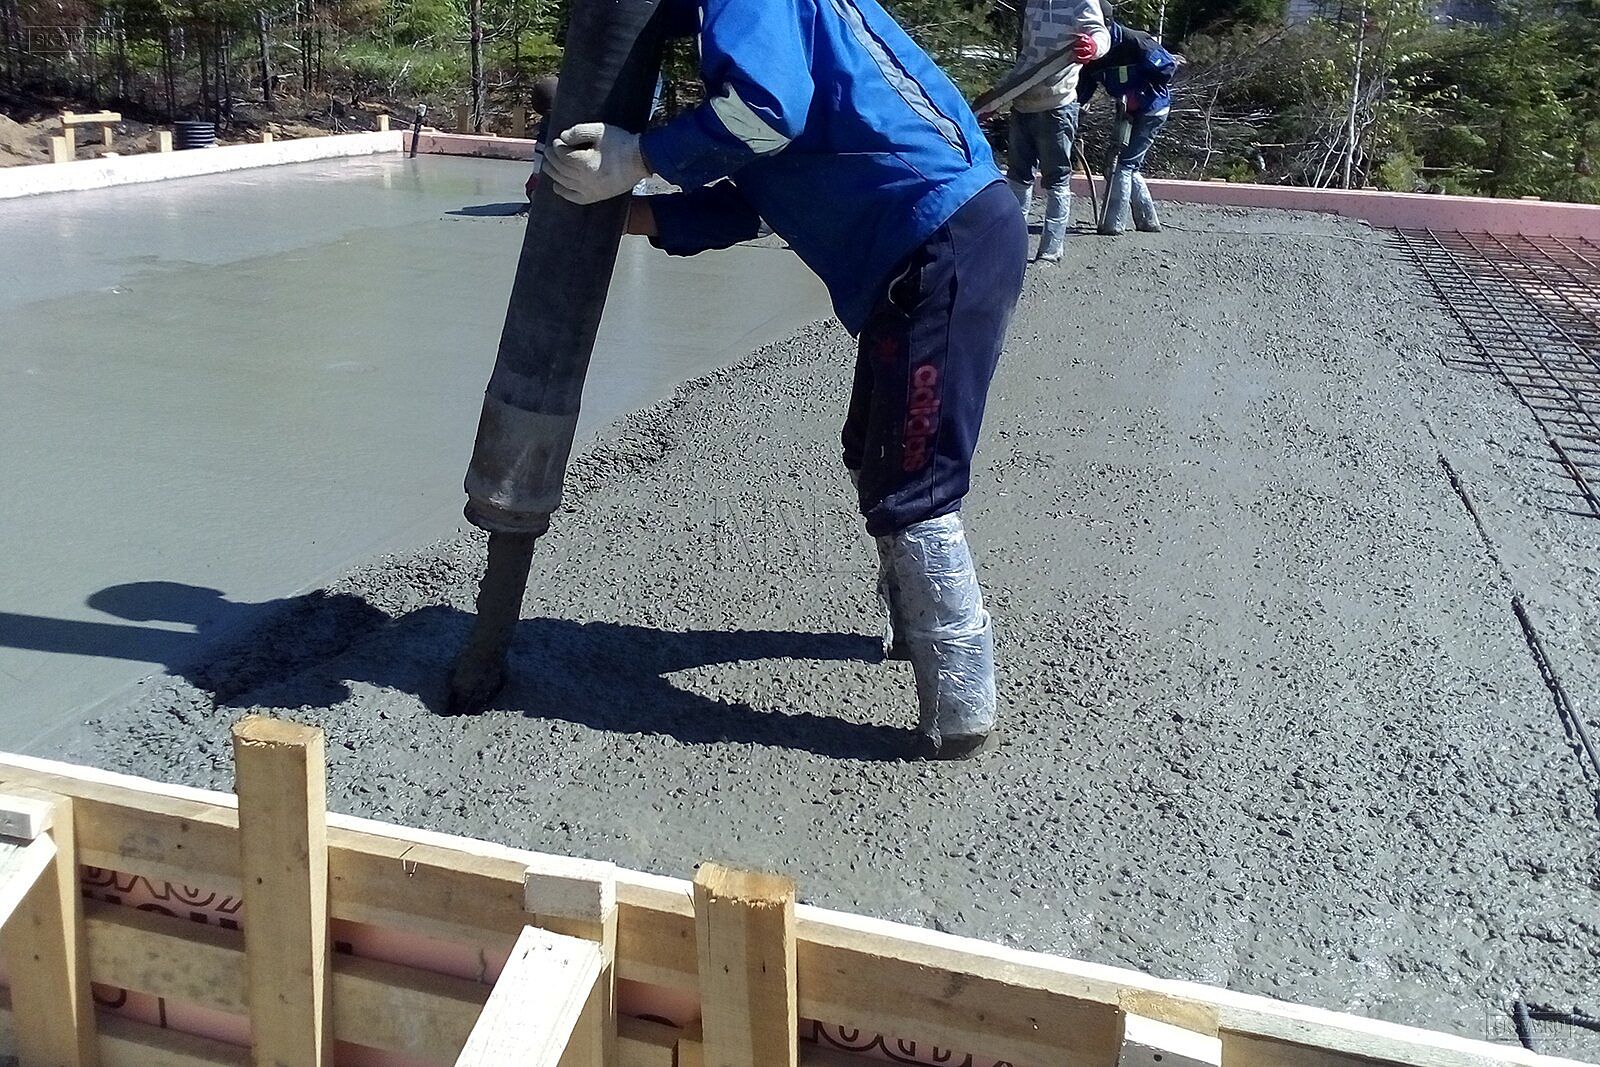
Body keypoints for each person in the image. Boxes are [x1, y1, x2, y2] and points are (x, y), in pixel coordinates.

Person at [541, 0, 1027, 759]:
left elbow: (765, 114)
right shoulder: (754, 34)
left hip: (940, 240)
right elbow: (756, 200)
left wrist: (640, 156)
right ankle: (914, 629)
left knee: (915, 476)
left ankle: (962, 707)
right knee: (873, 450)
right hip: (925, 248)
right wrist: (623, 208)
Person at [1004, 0, 1110, 262]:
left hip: (1057, 104)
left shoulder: (1080, 2)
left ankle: (1051, 251)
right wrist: (999, 95)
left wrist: (1093, 46)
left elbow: (1100, 33)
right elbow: (1027, 54)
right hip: (1023, 101)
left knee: (1057, 180)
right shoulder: (1034, 3)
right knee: (1017, 178)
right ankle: (1012, 248)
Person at [1077, 22, 1178, 235]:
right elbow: (1084, 86)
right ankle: (1148, 221)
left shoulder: (1136, 41)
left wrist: (1139, 92)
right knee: (1120, 165)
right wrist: (1075, 109)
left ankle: (1113, 225)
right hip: (1125, 111)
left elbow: (1168, 67)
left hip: (1152, 109)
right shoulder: (1096, 52)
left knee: (1123, 165)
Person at [525, 76, 560, 201]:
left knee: (533, 186)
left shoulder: (546, 129)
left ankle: (538, 195)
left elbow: (538, 167)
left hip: (548, 179)